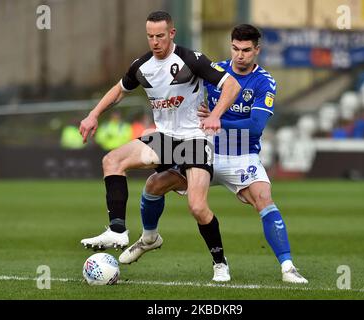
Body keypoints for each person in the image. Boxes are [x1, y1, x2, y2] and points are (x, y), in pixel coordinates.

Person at [119, 24, 308, 284]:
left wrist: (216, 120)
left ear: (257, 50)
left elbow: (255, 126)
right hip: (203, 149)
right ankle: (149, 238)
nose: (240, 55)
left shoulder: (264, 81)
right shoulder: (215, 70)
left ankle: (288, 268)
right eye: (235, 48)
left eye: (246, 50)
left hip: (241, 153)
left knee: (264, 199)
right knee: (154, 184)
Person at [79, 11, 241, 282]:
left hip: (194, 139)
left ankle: (220, 262)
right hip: (164, 138)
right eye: (150, 36)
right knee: (112, 161)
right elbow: (119, 90)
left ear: (172, 34)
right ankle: (119, 230)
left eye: (160, 36)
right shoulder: (142, 66)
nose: (155, 42)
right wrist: (94, 114)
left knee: (197, 207)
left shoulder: (192, 59)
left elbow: (231, 86)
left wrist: (215, 115)